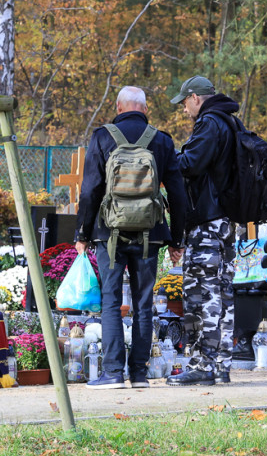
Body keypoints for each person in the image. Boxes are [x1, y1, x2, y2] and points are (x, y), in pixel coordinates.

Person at [75, 86, 186, 389]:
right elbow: (177, 193)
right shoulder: (161, 141)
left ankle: (112, 373)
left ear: (119, 107)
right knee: (144, 302)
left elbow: (90, 190)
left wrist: (83, 233)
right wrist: (177, 240)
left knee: (110, 302)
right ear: (145, 109)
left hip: (108, 232)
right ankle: (139, 373)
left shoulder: (102, 136)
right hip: (150, 233)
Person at [169, 75, 240, 387]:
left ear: (195, 97)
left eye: (184, 102)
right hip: (226, 221)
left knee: (202, 295)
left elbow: (191, 164)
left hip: (207, 221)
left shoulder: (209, 123)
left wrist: (164, 158)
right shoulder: (231, 123)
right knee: (223, 295)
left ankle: (202, 366)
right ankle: (222, 364)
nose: (184, 109)